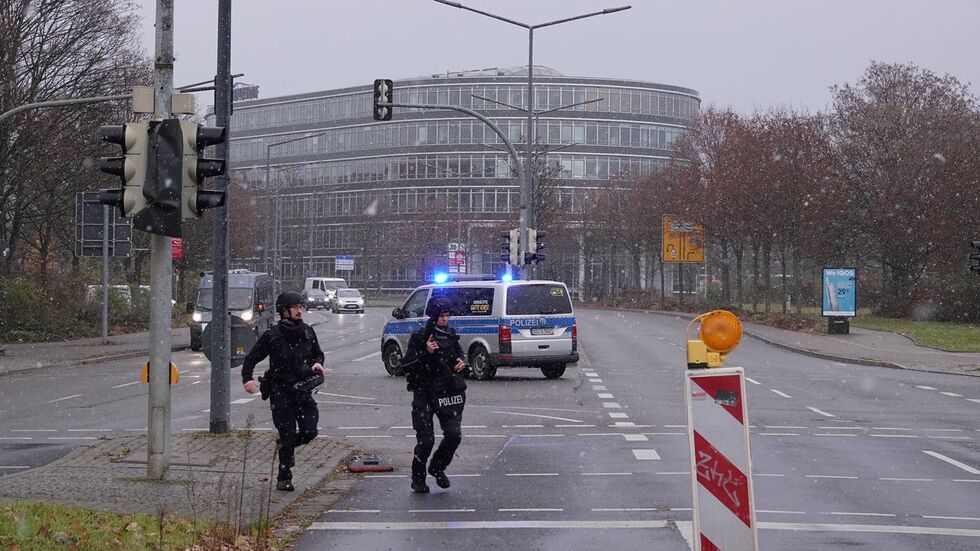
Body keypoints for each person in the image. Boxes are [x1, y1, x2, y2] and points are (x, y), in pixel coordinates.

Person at [242, 291, 325, 491]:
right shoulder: (272, 336)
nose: (299, 310)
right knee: (287, 433)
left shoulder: (307, 332)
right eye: (295, 307)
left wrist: (317, 365)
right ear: (284, 311)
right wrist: (248, 379)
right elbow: (251, 358)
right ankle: (284, 476)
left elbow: (318, 354)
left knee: (309, 431)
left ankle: (286, 445)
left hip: (303, 389)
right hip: (281, 391)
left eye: (300, 307)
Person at [401, 297, 468, 493]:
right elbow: (406, 364)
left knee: (454, 435)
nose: (445, 319)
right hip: (424, 392)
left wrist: (461, 363)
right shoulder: (421, 337)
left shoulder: (451, 336)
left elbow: (459, 356)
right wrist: (426, 352)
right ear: (433, 316)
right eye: (441, 316)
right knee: (426, 440)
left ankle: (438, 467)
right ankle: (418, 477)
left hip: (448, 392)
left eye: (447, 316)